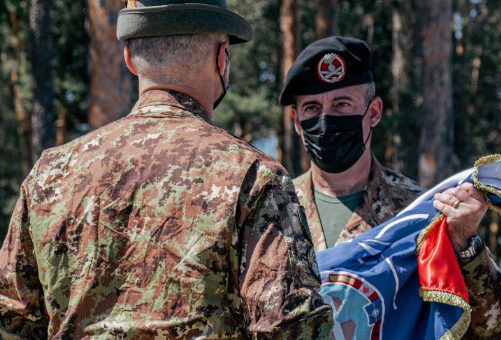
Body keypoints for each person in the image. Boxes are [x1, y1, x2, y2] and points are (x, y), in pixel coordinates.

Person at [0, 1, 332, 338]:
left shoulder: (51, 175)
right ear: (222, 59)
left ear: (129, 60)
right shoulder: (253, 176)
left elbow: (12, 319)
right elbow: (291, 327)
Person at [279, 35, 501, 338]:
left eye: (342, 104)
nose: (327, 119)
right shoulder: (273, 212)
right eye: (312, 108)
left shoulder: (421, 213)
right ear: (296, 121)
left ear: (373, 113)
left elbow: (500, 331)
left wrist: (464, 248)